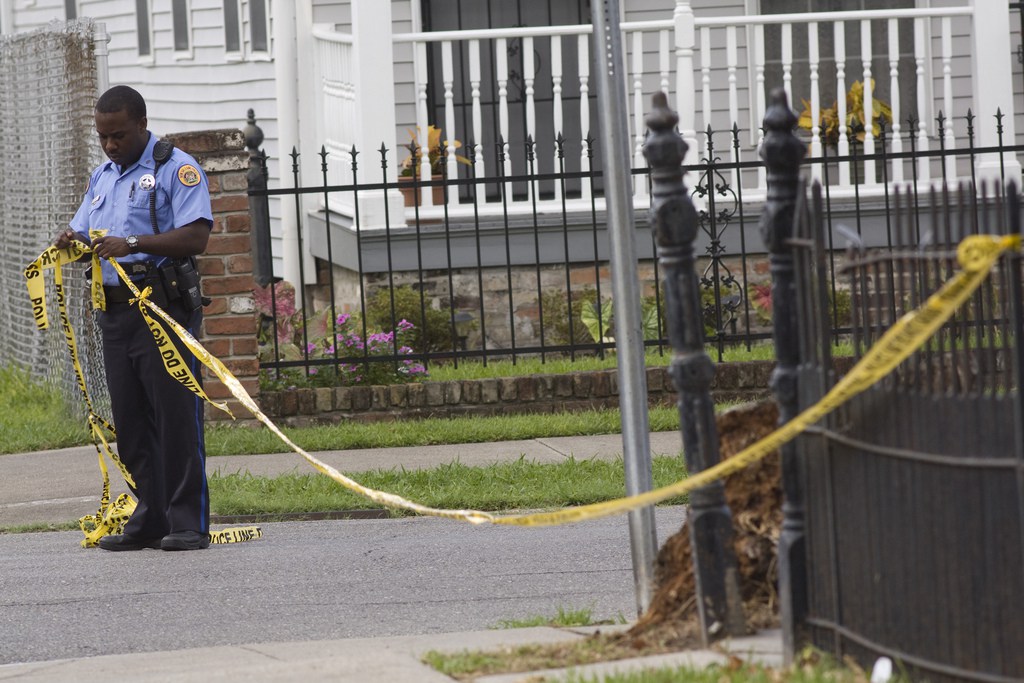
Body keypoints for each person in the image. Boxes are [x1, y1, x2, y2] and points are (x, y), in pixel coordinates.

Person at [54, 85, 213, 551]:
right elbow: (86, 234)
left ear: (142, 124)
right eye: (103, 137)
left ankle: (188, 522)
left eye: (118, 135)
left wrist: (136, 243)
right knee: (132, 422)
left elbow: (197, 236)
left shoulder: (174, 168)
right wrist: (71, 241)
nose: (110, 145)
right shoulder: (103, 177)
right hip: (115, 313)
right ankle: (150, 517)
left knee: (176, 416)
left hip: (161, 307)